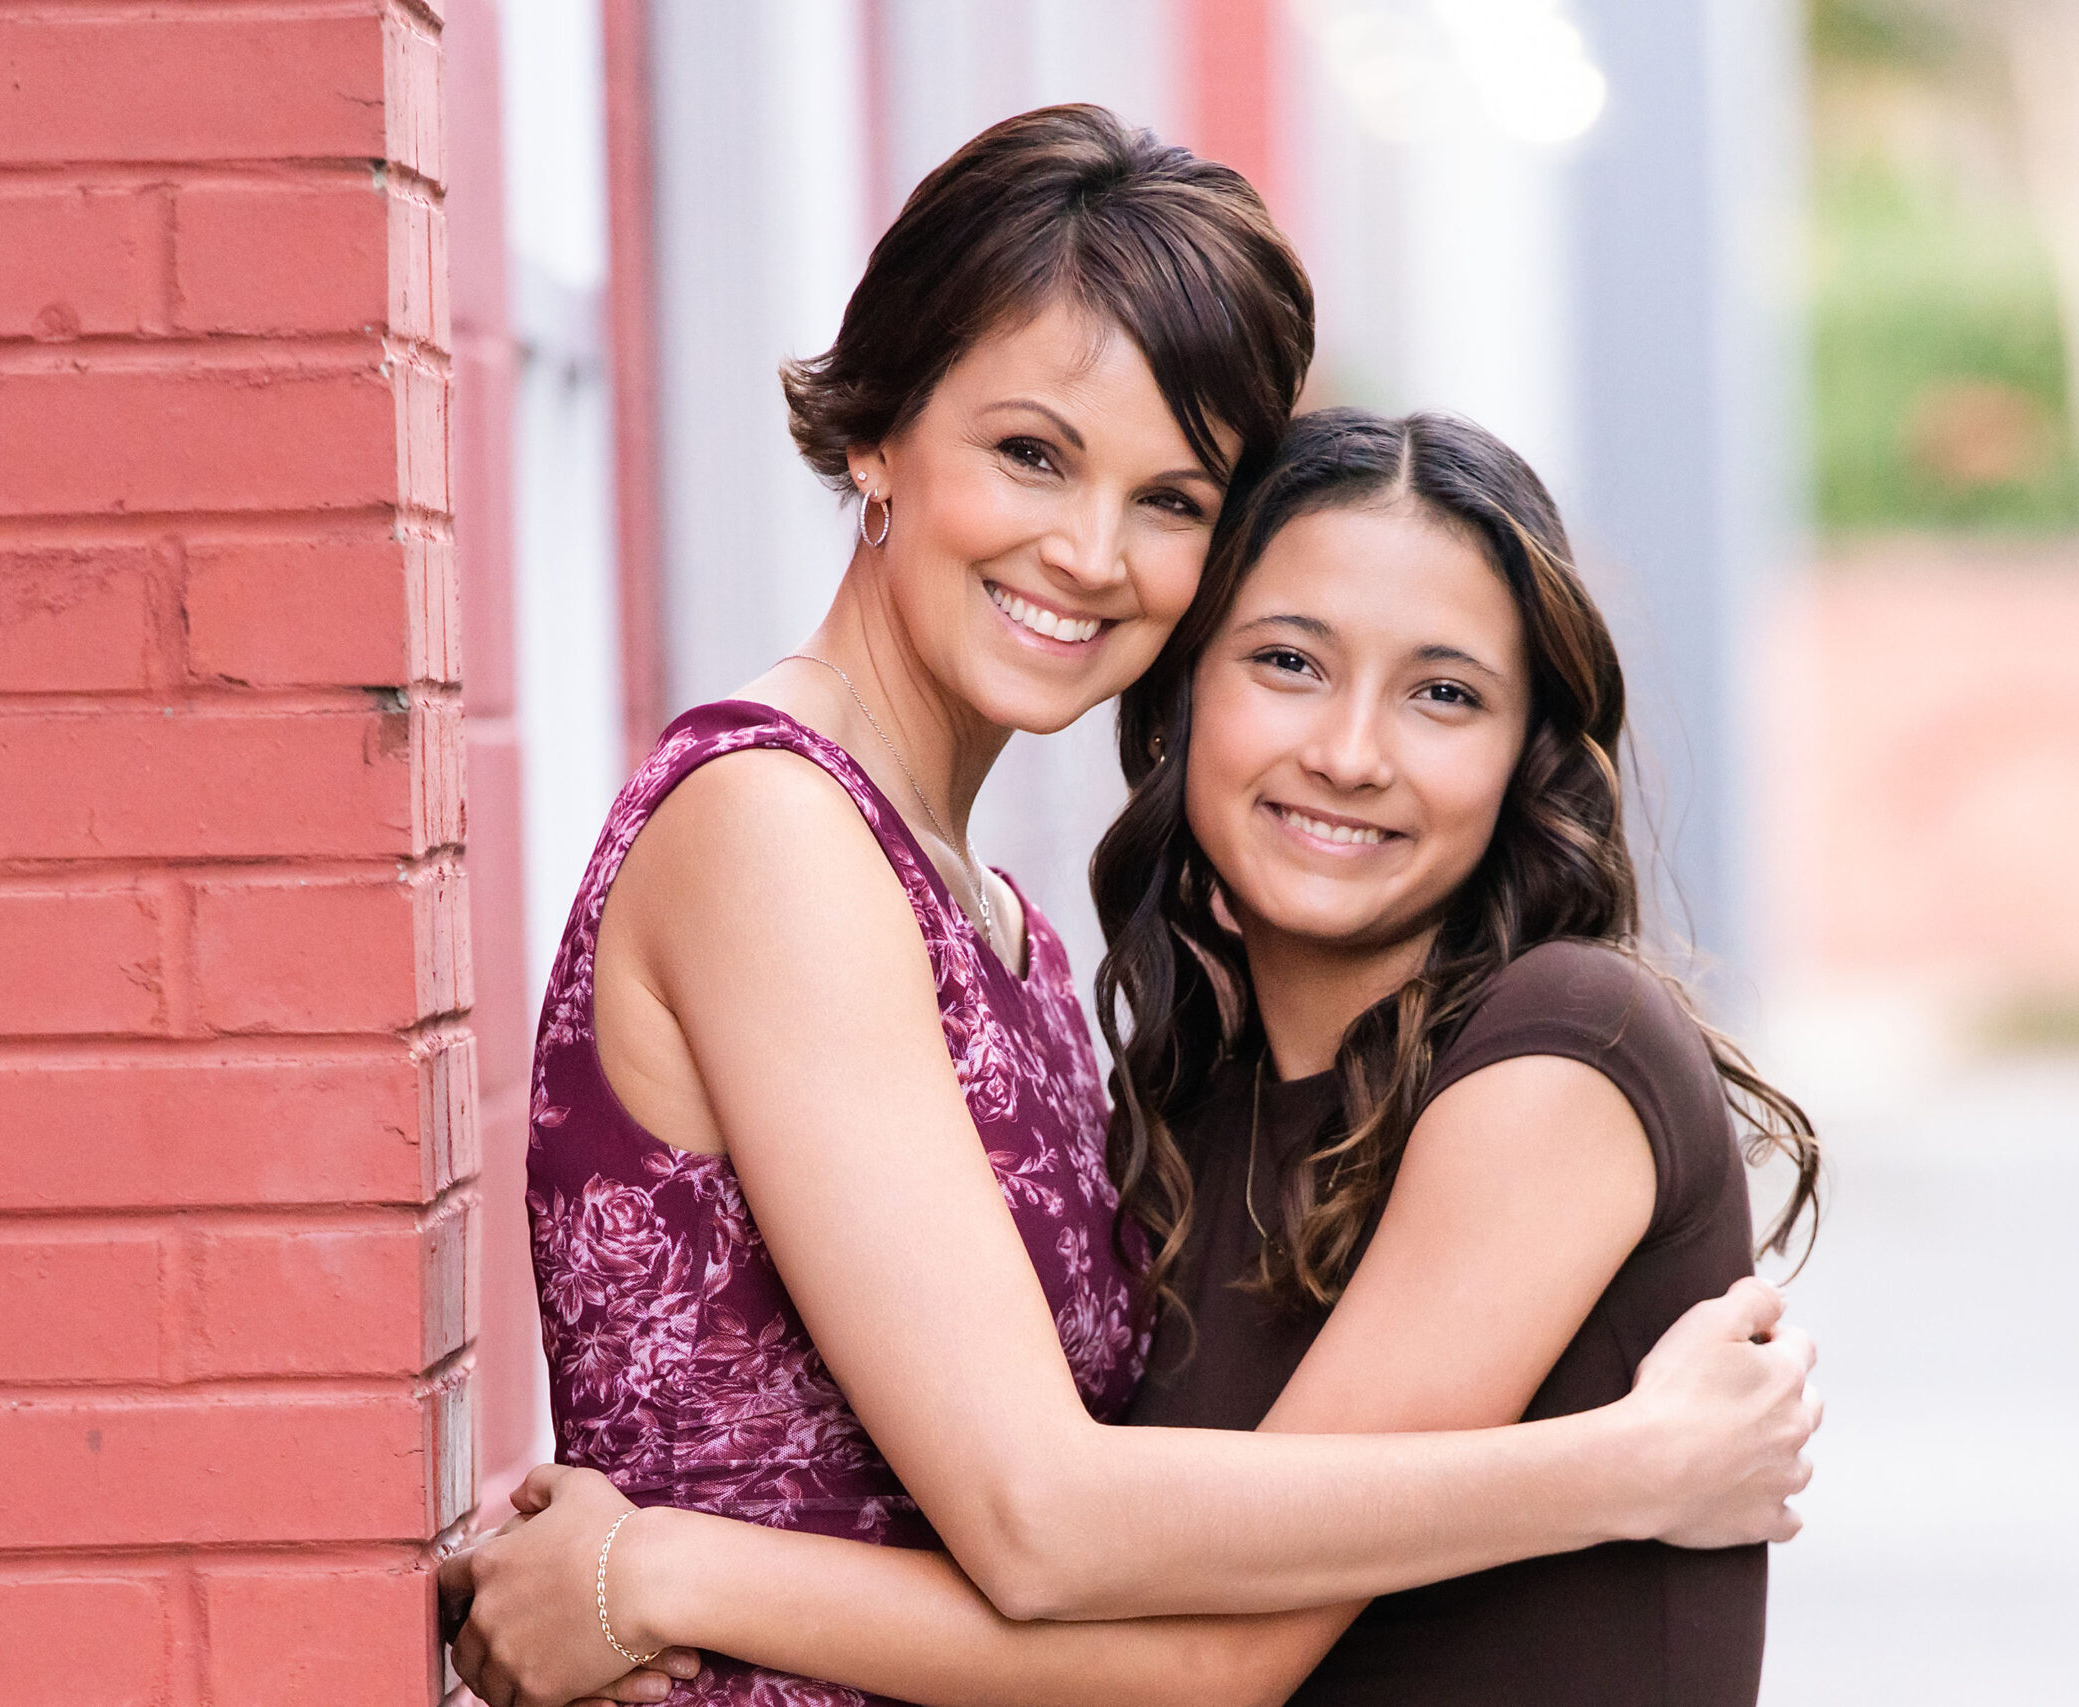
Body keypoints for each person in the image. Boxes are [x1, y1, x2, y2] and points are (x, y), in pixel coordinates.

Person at [442, 109, 1819, 1707]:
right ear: (880, 431)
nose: (1089, 552)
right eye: (1032, 453)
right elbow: (1038, 1520)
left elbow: (1111, 1560)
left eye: (1171, 501)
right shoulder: (775, 830)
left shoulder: (1000, 928)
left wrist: (663, 1566)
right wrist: (1630, 1467)